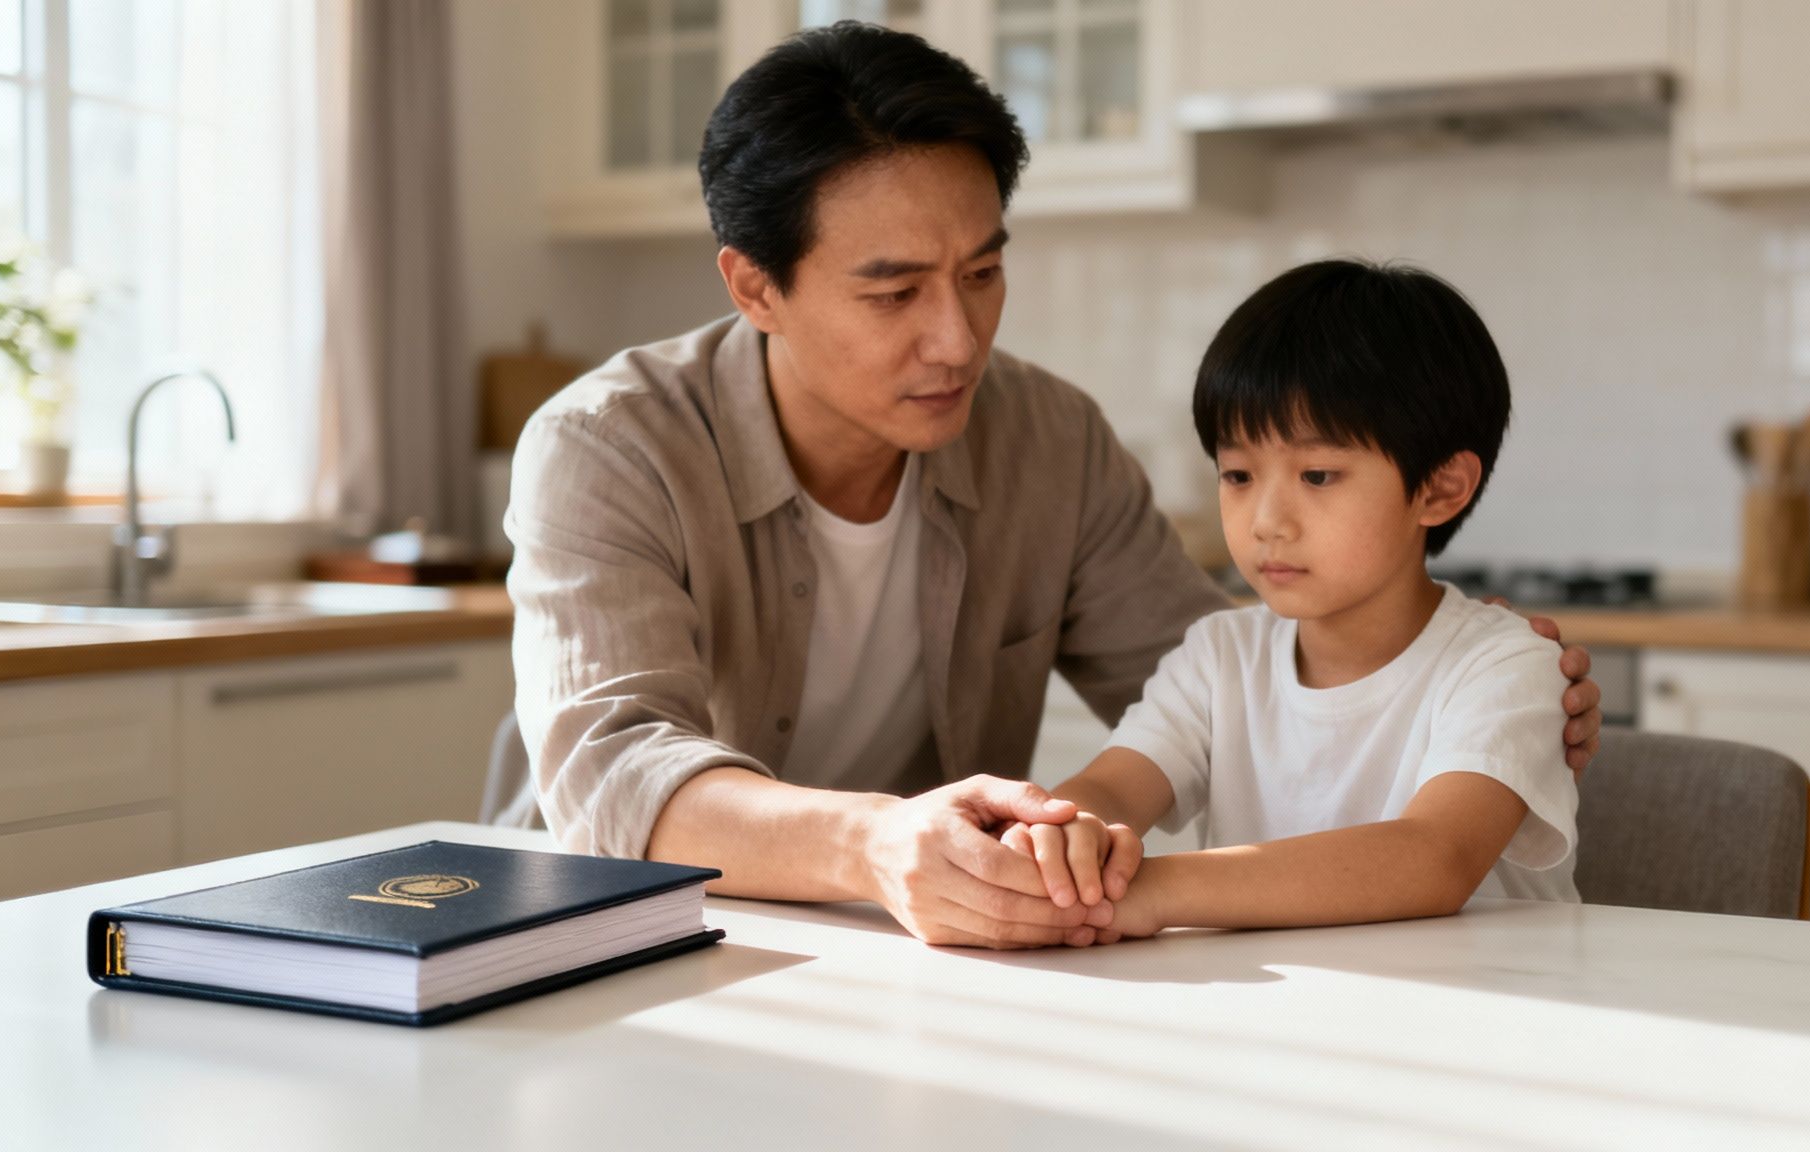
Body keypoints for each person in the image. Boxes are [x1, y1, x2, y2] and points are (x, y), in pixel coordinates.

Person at [504, 22, 1604, 950]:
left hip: (919, 956)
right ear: (756, 287)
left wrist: (1431, 669)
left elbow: (1235, 683)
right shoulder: (608, 445)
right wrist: (878, 843)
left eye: (982, 273)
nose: (956, 340)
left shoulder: (1046, 438)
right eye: (894, 293)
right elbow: (611, 777)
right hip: (631, 938)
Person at [1004, 259, 1579, 941]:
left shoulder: (1505, 663)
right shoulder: (1219, 656)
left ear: (1440, 489)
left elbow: (1434, 858)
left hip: (1492, 1012)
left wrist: (1151, 890)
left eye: (1317, 474)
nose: (1267, 519)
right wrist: (1065, 835)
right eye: (1238, 474)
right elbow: (1113, 787)